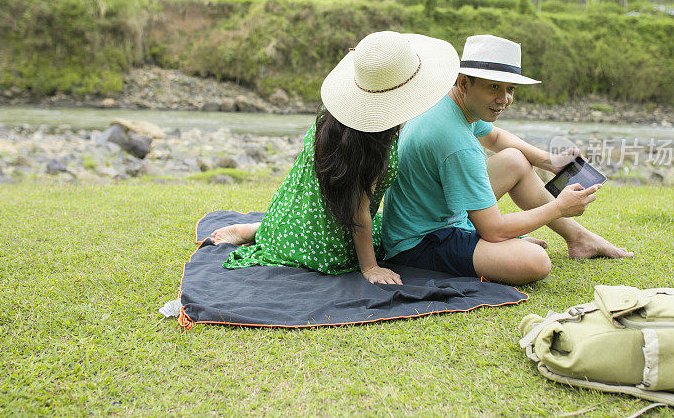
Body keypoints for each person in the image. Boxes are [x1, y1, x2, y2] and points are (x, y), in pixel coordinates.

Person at [210, 31, 460, 285]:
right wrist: (370, 267)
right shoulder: (370, 141)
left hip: (296, 213)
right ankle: (260, 231)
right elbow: (358, 211)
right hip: (325, 240)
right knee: (386, 235)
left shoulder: (335, 117)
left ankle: (260, 229)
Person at [381, 34, 633, 285]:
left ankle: (578, 238)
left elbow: (495, 137)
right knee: (535, 261)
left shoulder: (447, 100)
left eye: (510, 89)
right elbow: (494, 229)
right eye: (494, 87)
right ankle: (532, 243)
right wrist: (558, 207)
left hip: (433, 217)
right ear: (464, 82)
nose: (505, 99)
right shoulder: (457, 143)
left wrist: (549, 161)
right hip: (419, 244)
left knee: (515, 159)